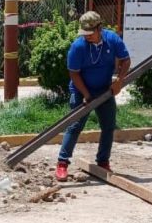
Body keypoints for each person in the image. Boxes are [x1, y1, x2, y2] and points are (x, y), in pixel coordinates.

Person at [54, 11, 131, 182]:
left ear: (99, 28)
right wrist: (86, 95)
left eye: (90, 33)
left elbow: (126, 60)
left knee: (109, 127)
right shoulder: (78, 46)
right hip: (81, 90)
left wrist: (119, 80)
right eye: (85, 33)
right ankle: (62, 163)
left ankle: (103, 161)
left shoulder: (112, 40)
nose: (87, 36)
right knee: (74, 126)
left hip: (105, 90)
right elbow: (74, 73)